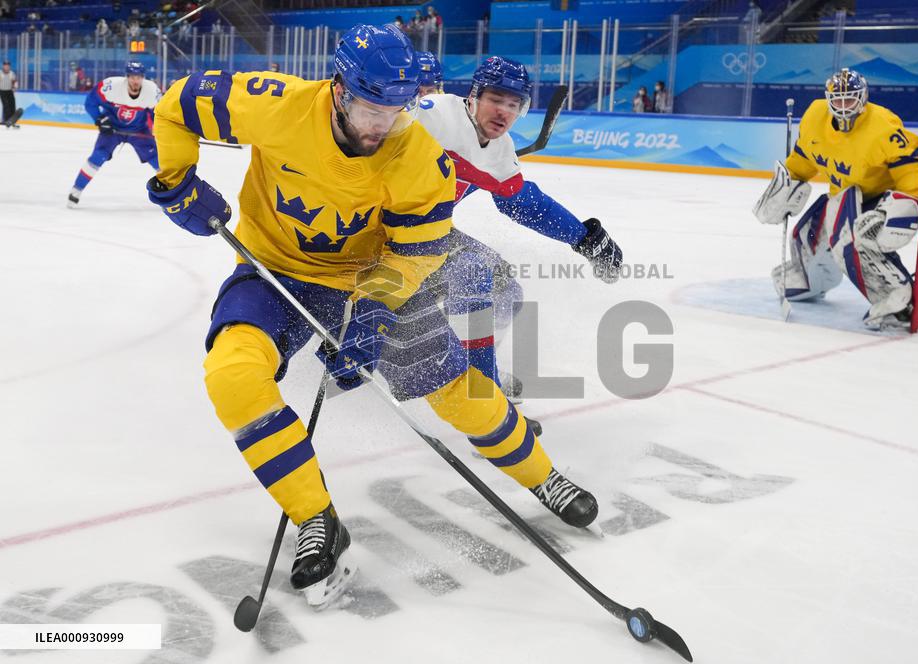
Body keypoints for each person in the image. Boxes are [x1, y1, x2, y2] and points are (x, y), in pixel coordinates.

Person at [146, 24, 599, 610]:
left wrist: (373, 309)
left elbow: (422, 250)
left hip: (365, 282)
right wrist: (176, 180)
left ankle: (544, 476)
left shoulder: (418, 159)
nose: (381, 125)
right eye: (369, 108)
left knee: (459, 393)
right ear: (338, 88)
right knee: (231, 374)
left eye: (395, 109)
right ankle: (317, 518)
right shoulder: (273, 105)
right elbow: (176, 106)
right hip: (273, 271)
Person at [412, 55, 623, 401]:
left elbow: (521, 202)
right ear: (474, 95)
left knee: (506, 293)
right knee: (472, 270)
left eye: (514, 104)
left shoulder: (499, 150)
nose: (503, 112)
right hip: (377, 231)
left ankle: (471, 366)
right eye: (496, 100)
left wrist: (584, 238)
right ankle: (481, 398)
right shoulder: (432, 113)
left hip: (428, 233)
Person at [752, 68, 918, 328]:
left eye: (850, 99)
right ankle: (809, 279)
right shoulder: (815, 117)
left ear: (863, 98)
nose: (843, 106)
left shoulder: (883, 126)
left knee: (851, 243)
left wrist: (906, 202)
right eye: (838, 100)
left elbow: (912, 163)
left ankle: (896, 295)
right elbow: (805, 155)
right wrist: (787, 184)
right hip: (841, 196)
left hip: (874, 201)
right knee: (806, 236)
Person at [68, 61, 160, 207]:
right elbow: (90, 102)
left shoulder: (152, 91)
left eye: (139, 77)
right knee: (98, 156)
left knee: (158, 160)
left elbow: (159, 114)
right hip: (113, 129)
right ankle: (76, 190)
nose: (135, 81)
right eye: (132, 77)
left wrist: (162, 131)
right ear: (127, 77)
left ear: (143, 77)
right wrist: (99, 119)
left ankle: (173, 196)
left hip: (139, 131)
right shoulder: (110, 86)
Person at [0, 60, 17, 126]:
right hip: (2, 91)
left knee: (12, 104)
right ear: (3, 66)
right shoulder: (0, 73)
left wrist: (15, 87)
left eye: (8, 66)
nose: (6, 67)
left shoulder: (12, 73)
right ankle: (6, 120)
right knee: (6, 105)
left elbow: (14, 81)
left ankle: (12, 120)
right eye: (5, 65)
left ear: (9, 66)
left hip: (9, 91)